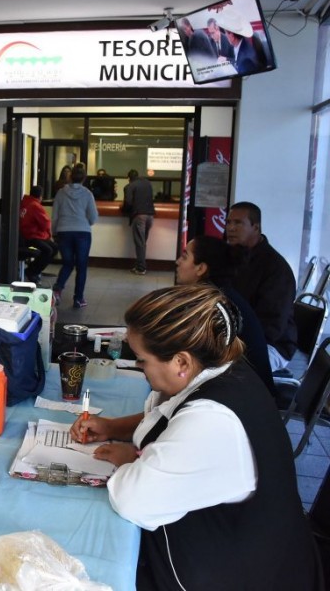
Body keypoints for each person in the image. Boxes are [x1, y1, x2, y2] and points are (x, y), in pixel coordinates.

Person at [71, 285, 321, 590]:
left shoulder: (212, 420)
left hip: (236, 574)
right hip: (246, 551)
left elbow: (133, 500)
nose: (139, 368)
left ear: (181, 363)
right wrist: (112, 427)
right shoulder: (222, 369)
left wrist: (133, 460)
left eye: (142, 360)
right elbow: (168, 417)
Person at [175, 235, 275, 395]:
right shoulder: (218, 293)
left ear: (201, 268)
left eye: (185, 256)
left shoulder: (214, 305)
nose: (178, 262)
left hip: (246, 396)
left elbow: (190, 354)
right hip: (240, 387)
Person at [226, 201, 297, 372]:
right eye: (228, 222)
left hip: (271, 346)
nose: (231, 228)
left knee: (220, 370)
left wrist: (228, 344)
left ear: (256, 228)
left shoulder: (275, 268)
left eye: (238, 223)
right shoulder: (234, 257)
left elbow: (271, 327)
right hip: (238, 337)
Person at [51, 163, 97, 308]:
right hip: (83, 232)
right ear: (84, 178)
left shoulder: (60, 193)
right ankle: (78, 298)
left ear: (70, 177)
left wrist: (54, 232)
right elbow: (93, 218)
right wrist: (84, 221)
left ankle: (57, 291)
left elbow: (55, 215)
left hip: (64, 232)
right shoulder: (88, 194)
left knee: (68, 263)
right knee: (81, 266)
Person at [19, 185, 57, 283]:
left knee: (52, 248)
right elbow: (46, 223)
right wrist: (49, 236)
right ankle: (32, 271)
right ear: (40, 196)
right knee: (49, 250)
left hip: (24, 235)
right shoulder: (35, 206)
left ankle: (32, 270)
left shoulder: (24, 202)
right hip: (31, 236)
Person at [122, 169, 155, 275]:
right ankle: (139, 265)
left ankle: (141, 268)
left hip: (139, 215)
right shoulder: (147, 183)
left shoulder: (129, 186)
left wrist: (125, 211)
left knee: (140, 243)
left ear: (129, 178)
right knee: (143, 242)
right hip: (150, 215)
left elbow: (128, 202)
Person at [217, 10, 261, 76]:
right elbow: (237, 59)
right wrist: (226, 59)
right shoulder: (240, 43)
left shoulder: (246, 61)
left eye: (225, 33)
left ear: (231, 35)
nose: (225, 36)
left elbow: (240, 71)